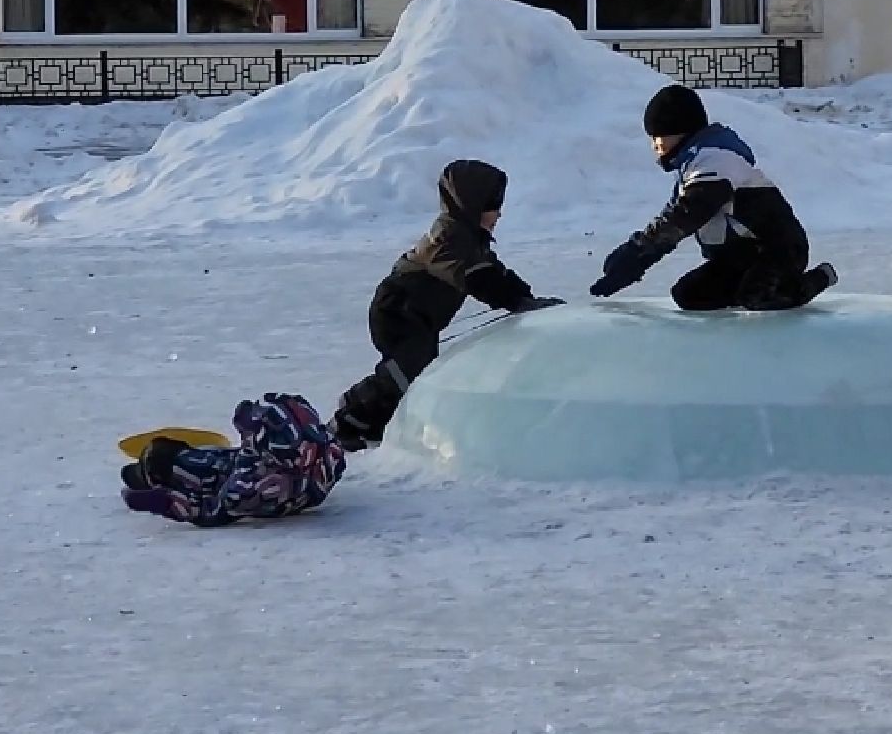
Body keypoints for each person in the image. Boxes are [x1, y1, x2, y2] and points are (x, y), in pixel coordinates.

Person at [331, 159, 562, 452]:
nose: (499, 214)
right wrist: (517, 302)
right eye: (492, 206)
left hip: (419, 317)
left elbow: (495, 271)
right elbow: (476, 277)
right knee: (408, 370)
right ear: (472, 203)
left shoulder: (469, 237)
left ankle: (379, 423)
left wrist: (526, 297)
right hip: (397, 311)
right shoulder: (448, 236)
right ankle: (351, 416)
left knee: (416, 371)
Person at [591, 84, 838, 311]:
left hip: (777, 251)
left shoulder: (717, 161)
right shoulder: (691, 168)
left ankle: (817, 279)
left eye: (660, 135)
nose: (655, 145)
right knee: (689, 295)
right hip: (738, 259)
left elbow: (686, 215)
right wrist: (634, 260)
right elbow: (671, 217)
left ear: (683, 131)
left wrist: (637, 253)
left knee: (756, 296)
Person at [120, 393, 344, 526]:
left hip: (240, 482)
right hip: (280, 473)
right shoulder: (326, 446)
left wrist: (165, 503)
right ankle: (163, 465)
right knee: (206, 461)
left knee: (168, 460)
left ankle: (154, 472)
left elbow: (212, 511)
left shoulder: (247, 486)